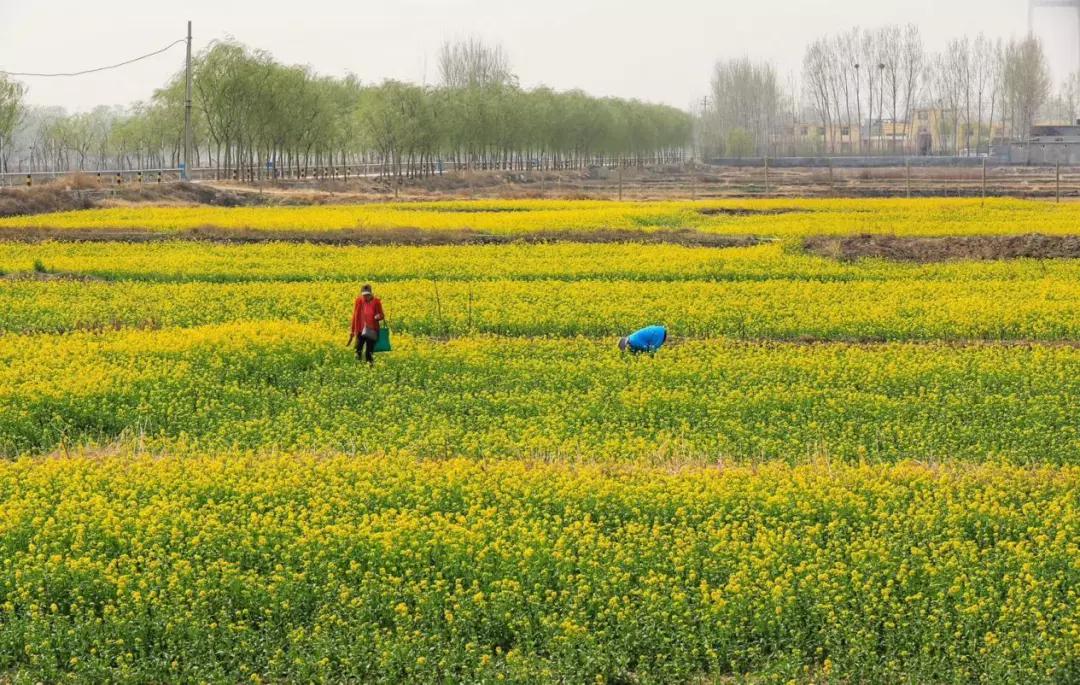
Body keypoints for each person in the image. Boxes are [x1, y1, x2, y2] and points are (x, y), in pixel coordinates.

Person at [348, 284, 386, 364]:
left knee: (369, 353)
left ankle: (370, 368)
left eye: (367, 295)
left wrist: (378, 316)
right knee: (358, 351)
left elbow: (382, 315)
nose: (366, 297)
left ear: (371, 293)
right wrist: (352, 331)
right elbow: (355, 316)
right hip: (360, 330)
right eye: (364, 295)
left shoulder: (376, 302)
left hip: (372, 331)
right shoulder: (358, 301)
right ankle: (358, 367)